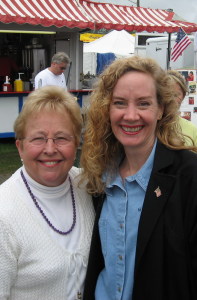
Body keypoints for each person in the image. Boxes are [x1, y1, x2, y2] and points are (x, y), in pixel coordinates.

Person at [80, 56, 197, 300]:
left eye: (143, 104)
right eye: (120, 103)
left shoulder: (189, 177)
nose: (131, 116)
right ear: (107, 109)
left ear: (161, 109)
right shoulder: (98, 178)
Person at [0, 86, 95, 299]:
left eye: (61, 138)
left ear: (76, 144)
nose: (50, 149)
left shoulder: (89, 188)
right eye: (38, 138)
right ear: (20, 147)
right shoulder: (4, 213)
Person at [167, 69, 197, 146]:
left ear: (183, 96)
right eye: (167, 94)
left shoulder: (192, 130)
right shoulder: (151, 125)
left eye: (176, 95)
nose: (171, 99)